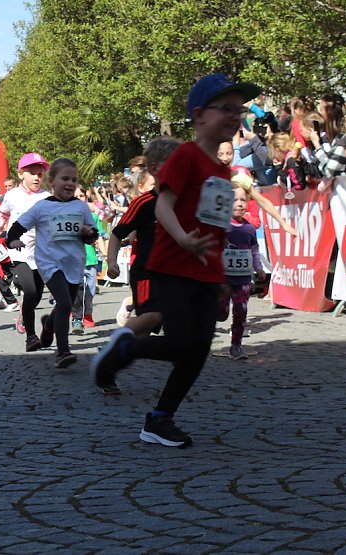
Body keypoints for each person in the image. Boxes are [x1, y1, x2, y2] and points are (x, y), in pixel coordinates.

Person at [91, 73, 261, 448]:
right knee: (185, 346)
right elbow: (163, 206)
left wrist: (217, 276)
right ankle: (127, 349)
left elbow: (215, 229)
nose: (236, 117)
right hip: (171, 267)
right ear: (199, 115)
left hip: (204, 271)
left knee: (197, 351)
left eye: (240, 110)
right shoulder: (185, 155)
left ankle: (159, 419)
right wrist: (183, 238)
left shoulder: (220, 169)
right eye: (226, 109)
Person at [7, 158, 97, 367]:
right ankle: (63, 351)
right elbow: (17, 227)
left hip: (73, 264)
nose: (70, 183)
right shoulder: (42, 207)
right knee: (65, 303)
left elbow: (92, 235)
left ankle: (48, 325)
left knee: (64, 305)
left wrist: (88, 233)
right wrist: (12, 239)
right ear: (52, 181)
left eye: (74, 180)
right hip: (49, 263)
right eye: (64, 178)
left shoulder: (81, 207)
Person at [108, 137, 181, 346]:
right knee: (150, 319)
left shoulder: (185, 200)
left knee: (178, 330)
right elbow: (117, 233)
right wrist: (112, 261)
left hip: (175, 274)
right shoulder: (143, 202)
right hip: (147, 274)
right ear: (156, 169)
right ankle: (113, 350)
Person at [0, 153, 51, 348]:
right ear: (21, 174)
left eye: (40, 173)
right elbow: (0, 216)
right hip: (18, 250)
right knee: (29, 291)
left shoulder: (47, 198)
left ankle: (23, 316)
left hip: (39, 253)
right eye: (32, 173)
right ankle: (31, 336)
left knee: (37, 294)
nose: (37, 177)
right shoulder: (12, 196)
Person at [218, 186, 265, 359]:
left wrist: (259, 268)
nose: (239, 204)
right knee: (221, 314)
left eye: (243, 200)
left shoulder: (249, 229)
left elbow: (254, 251)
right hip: (223, 279)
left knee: (241, 311)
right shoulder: (221, 227)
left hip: (243, 279)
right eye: (234, 200)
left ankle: (236, 345)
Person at [70, 184, 105, 332]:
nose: (79, 199)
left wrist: (106, 254)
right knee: (75, 289)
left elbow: (100, 237)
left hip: (90, 259)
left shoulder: (93, 216)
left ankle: (88, 314)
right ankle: (76, 314)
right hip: (72, 261)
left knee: (90, 290)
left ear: (86, 197)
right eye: (75, 196)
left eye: (81, 196)